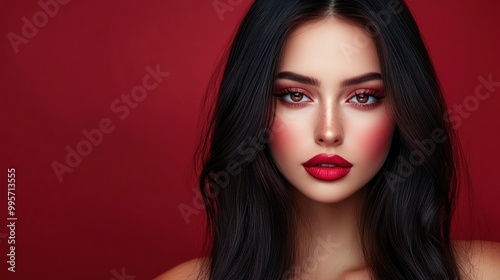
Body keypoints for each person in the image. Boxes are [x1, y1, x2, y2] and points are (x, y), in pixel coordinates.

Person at [156, 0, 500, 279]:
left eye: (363, 97)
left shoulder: (484, 272)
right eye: (294, 96)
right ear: (252, 106)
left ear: (403, 109)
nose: (329, 132)